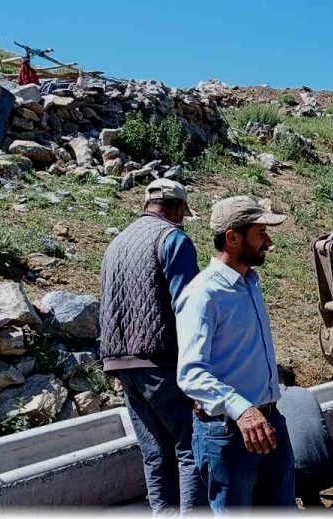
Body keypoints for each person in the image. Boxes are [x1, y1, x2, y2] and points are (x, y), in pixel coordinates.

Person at [176, 196, 294, 512]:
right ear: (233, 237)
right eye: (261, 233)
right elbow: (190, 373)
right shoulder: (203, 294)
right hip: (229, 433)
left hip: (269, 422)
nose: (268, 241)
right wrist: (242, 410)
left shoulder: (250, 283)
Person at [99, 178, 205, 513]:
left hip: (121, 364)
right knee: (190, 449)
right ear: (175, 208)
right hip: (161, 362)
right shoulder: (173, 238)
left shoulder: (116, 243)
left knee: (155, 454)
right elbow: (187, 306)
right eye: (182, 213)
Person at [275, 367, 333, 507]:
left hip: (296, 477)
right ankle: (312, 501)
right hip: (331, 469)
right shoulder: (305, 392)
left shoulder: (269, 399)